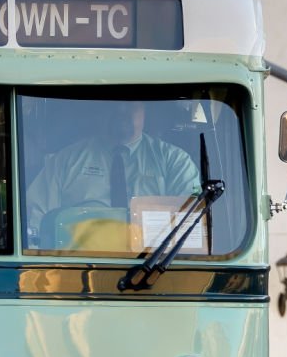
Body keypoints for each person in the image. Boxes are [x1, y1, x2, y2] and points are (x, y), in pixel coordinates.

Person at [25, 99, 199, 246]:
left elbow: (191, 228)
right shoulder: (66, 161)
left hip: (153, 268)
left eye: (131, 104)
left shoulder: (174, 161)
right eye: (113, 104)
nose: (121, 110)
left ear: (145, 112)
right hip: (77, 268)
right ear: (99, 111)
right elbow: (34, 221)